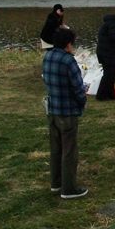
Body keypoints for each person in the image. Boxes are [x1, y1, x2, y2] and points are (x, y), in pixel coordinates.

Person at [42, 27, 88, 199]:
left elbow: (46, 79)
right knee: (69, 151)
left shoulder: (48, 56)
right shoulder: (68, 61)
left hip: (52, 110)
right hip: (67, 112)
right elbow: (78, 87)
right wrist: (83, 102)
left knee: (56, 148)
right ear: (68, 44)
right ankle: (68, 189)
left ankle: (56, 183)